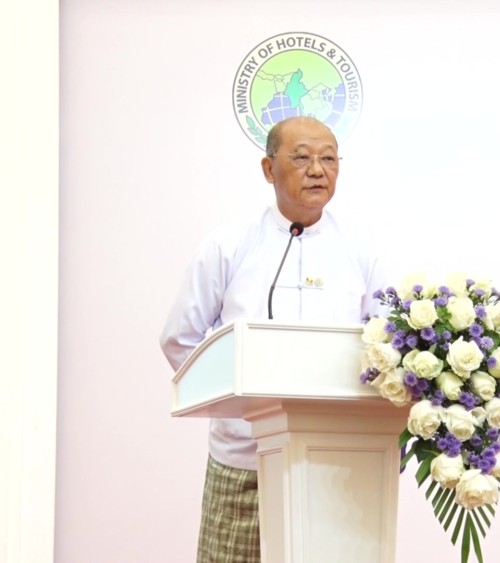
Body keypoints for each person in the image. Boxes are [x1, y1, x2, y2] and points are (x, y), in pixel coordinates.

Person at [159, 116, 386, 563]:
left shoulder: (360, 251)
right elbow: (180, 338)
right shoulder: (228, 245)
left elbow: (387, 347)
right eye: (301, 158)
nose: (317, 170)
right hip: (244, 456)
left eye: (329, 159)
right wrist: (240, 403)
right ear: (269, 169)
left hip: (337, 461)